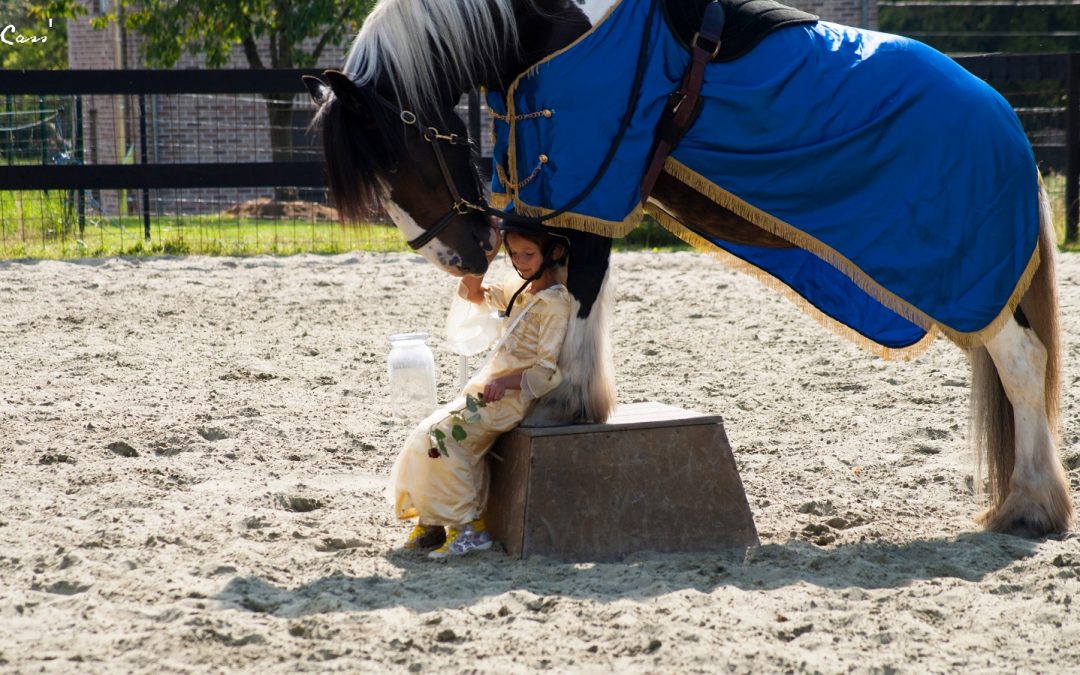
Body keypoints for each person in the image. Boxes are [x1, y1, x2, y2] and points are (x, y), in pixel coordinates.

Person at [390, 225, 574, 559]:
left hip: (509, 399)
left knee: (443, 440)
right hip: (486, 391)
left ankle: (470, 529)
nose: (520, 261)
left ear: (555, 253)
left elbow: (546, 372)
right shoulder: (520, 287)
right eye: (514, 253)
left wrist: (505, 383)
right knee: (424, 434)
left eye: (528, 254)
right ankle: (432, 522)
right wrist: (489, 251)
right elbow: (470, 292)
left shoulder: (555, 304)